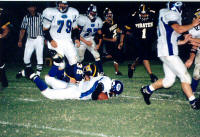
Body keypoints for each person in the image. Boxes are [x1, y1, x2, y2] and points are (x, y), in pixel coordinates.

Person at [140, 2, 200, 110]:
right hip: (168, 53)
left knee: (168, 81)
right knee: (185, 76)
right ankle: (193, 102)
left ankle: (147, 90)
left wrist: (183, 41)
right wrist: (192, 24)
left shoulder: (165, 14)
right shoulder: (171, 14)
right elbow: (179, 29)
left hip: (166, 51)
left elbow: (172, 38)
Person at [26, 64, 124, 100]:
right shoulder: (106, 84)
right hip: (76, 92)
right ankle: (33, 76)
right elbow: (96, 95)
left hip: (76, 85)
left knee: (49, 79)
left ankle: (57, 63)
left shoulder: (106, 78)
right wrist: (106, 97)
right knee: (49, 94)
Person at [42, 1, 82, 81]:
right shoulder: (50, 12)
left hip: (68, 41)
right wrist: (51, 40)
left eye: (64, 4)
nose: (62, 6)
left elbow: (75, 28)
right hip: (55, 40)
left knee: (74, 62)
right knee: (60, 62)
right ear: (57, 3)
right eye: (60, 3)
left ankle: (72, 80)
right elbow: (45, 29)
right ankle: (50, 79)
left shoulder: (73, 12)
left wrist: (77, 38)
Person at [124, 4, 158, 82]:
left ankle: (132, 67)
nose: (143, 15)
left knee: (140, 57)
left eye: (145, 13)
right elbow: (126, 26)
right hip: (138, 40)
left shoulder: (153, 15)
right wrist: (129, 31)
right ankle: (151, 75)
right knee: (144, 56)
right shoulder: (134, 16)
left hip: (148, 40)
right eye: (142, 14)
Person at [16, 4, 44, 78]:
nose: (31, 9)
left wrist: (46, 38)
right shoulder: (26, 17)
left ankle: (38, 74)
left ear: (35, 8)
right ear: (28, 9)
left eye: (32, 7)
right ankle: (29, 72)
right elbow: (23, 29)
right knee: (26, 58)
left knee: (39, 57)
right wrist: (20, 40)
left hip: (39, 38)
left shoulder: (41, 16)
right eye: (29, 8)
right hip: (29, 39)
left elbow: (45, 28)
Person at [76, 4, 104, 75]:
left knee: (97, 55)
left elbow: (100, 34)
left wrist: (99, 44)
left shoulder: (98, 20)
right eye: (92, 12)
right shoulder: (83, 19)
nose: (93, 14)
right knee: (80, 59)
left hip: (90, 39)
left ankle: (100, 72)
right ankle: (77, 72)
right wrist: (85, 42)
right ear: (88, 12)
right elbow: (76, 34)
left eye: (94, 13)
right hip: (80, 39)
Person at [101, 7, 124, 75]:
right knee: (114, 56)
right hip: (108, 43)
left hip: (116, 42)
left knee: (117, 56)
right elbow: (101, 37)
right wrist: (111, 40)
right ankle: (102, 60)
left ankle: (116, 71)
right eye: (108, 15)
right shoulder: (103, 25)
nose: (109, 17)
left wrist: (120, 34)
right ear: (105, 16)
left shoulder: (116, 22)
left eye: (110, 15)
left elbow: (121, 31)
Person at [184, 8, 200, 93]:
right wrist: (190, 59)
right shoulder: (193, 30)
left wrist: (193, 39)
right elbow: (194, 46)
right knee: (196, 74)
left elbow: (194, 41)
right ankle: (191, 92)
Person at [0, 8, 10, 88]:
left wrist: (2, 36)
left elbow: (6, 30)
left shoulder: (2, 20)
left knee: (0, 62)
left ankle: (4, 80)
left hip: (1, 43)